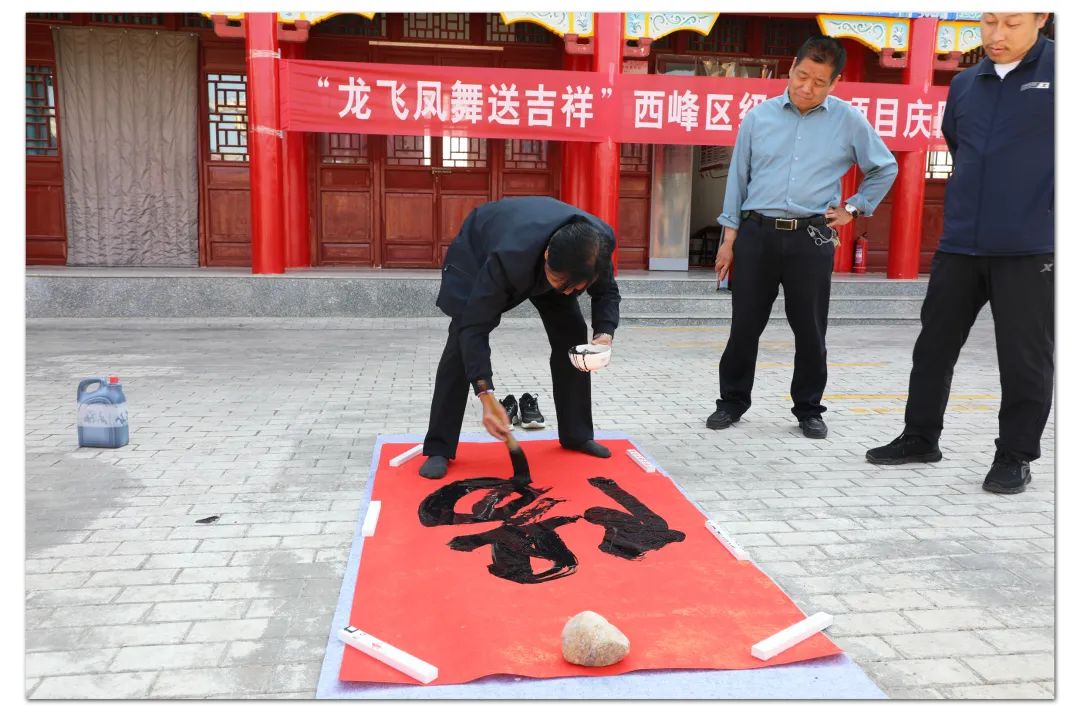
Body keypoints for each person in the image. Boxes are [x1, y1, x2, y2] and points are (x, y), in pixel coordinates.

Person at [866, 13, 1054, 495]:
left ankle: (1014, 456)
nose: (996, 34)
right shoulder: (967, 83)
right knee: (933, 347)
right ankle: (920, 437)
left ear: (1042, 16)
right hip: (961, 243)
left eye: (1011, 22)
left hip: (1031, 247)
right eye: (989, 21)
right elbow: (959, 145)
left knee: (1023, 359)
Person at [708, 35, 898, 438]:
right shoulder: (759, 118)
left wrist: (853, 207)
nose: (807, 87)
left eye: (819, 81)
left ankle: (809, 409)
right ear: (791, 68)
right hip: (757, 234)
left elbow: (885, 167)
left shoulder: (848, 120)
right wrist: (729, 240)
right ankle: (731, 402)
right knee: (744, 325)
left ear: (835, 83)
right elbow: (738, 181)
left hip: (811, 237)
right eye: (802, 75)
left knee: (810, 329)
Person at [418, 196, 621, 479]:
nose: (566, 292)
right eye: (560, 282)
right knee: (460, 342)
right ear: (548, 256)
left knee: (572, 336)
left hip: (555, 260)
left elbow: (607, 292)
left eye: (574, 287)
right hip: (480, 252)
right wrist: (486, 395)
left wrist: (603, 336)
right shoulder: (507, 258)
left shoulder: (596, 246)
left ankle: (576, 434)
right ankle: (439, 446)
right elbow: (476, 328)